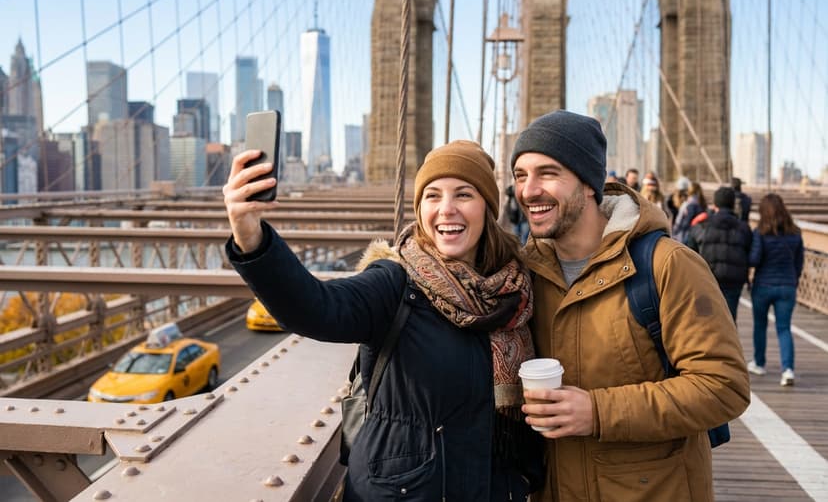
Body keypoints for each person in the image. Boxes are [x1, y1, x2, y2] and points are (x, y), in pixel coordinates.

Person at [223, 139, 543, 500]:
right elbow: (317, 308)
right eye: (432, 196)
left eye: (464, 195)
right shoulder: (394, 284)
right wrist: (251, 236)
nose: (447, 209)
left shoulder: (518, 290)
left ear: (488, 207)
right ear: (419, 208)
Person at [509, 110, 750, 502]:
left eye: (548, 173)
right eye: (521, 175)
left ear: (589, 184)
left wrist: (598, 411)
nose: (528, 190)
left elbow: (724, 387)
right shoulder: (525, 276)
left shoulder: (667, 265)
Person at [747, 193, 804, 387]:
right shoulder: (796, 233)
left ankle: (759, 363)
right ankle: (787, 370)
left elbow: (754, 260)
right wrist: (792, 279)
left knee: (760, 326)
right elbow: (799, 263)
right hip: (787, 286)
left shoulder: (760, 233)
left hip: (763, 285)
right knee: (784, 328)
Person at [686, 186, 753, 322]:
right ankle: (729, 342)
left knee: (706, 320)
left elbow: (689, 253)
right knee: (730, 318)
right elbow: (750, 252)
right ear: (733, 204)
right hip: (734, 280)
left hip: (707, 278)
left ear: (714, 204)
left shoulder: (701, 226)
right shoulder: (743, 228)